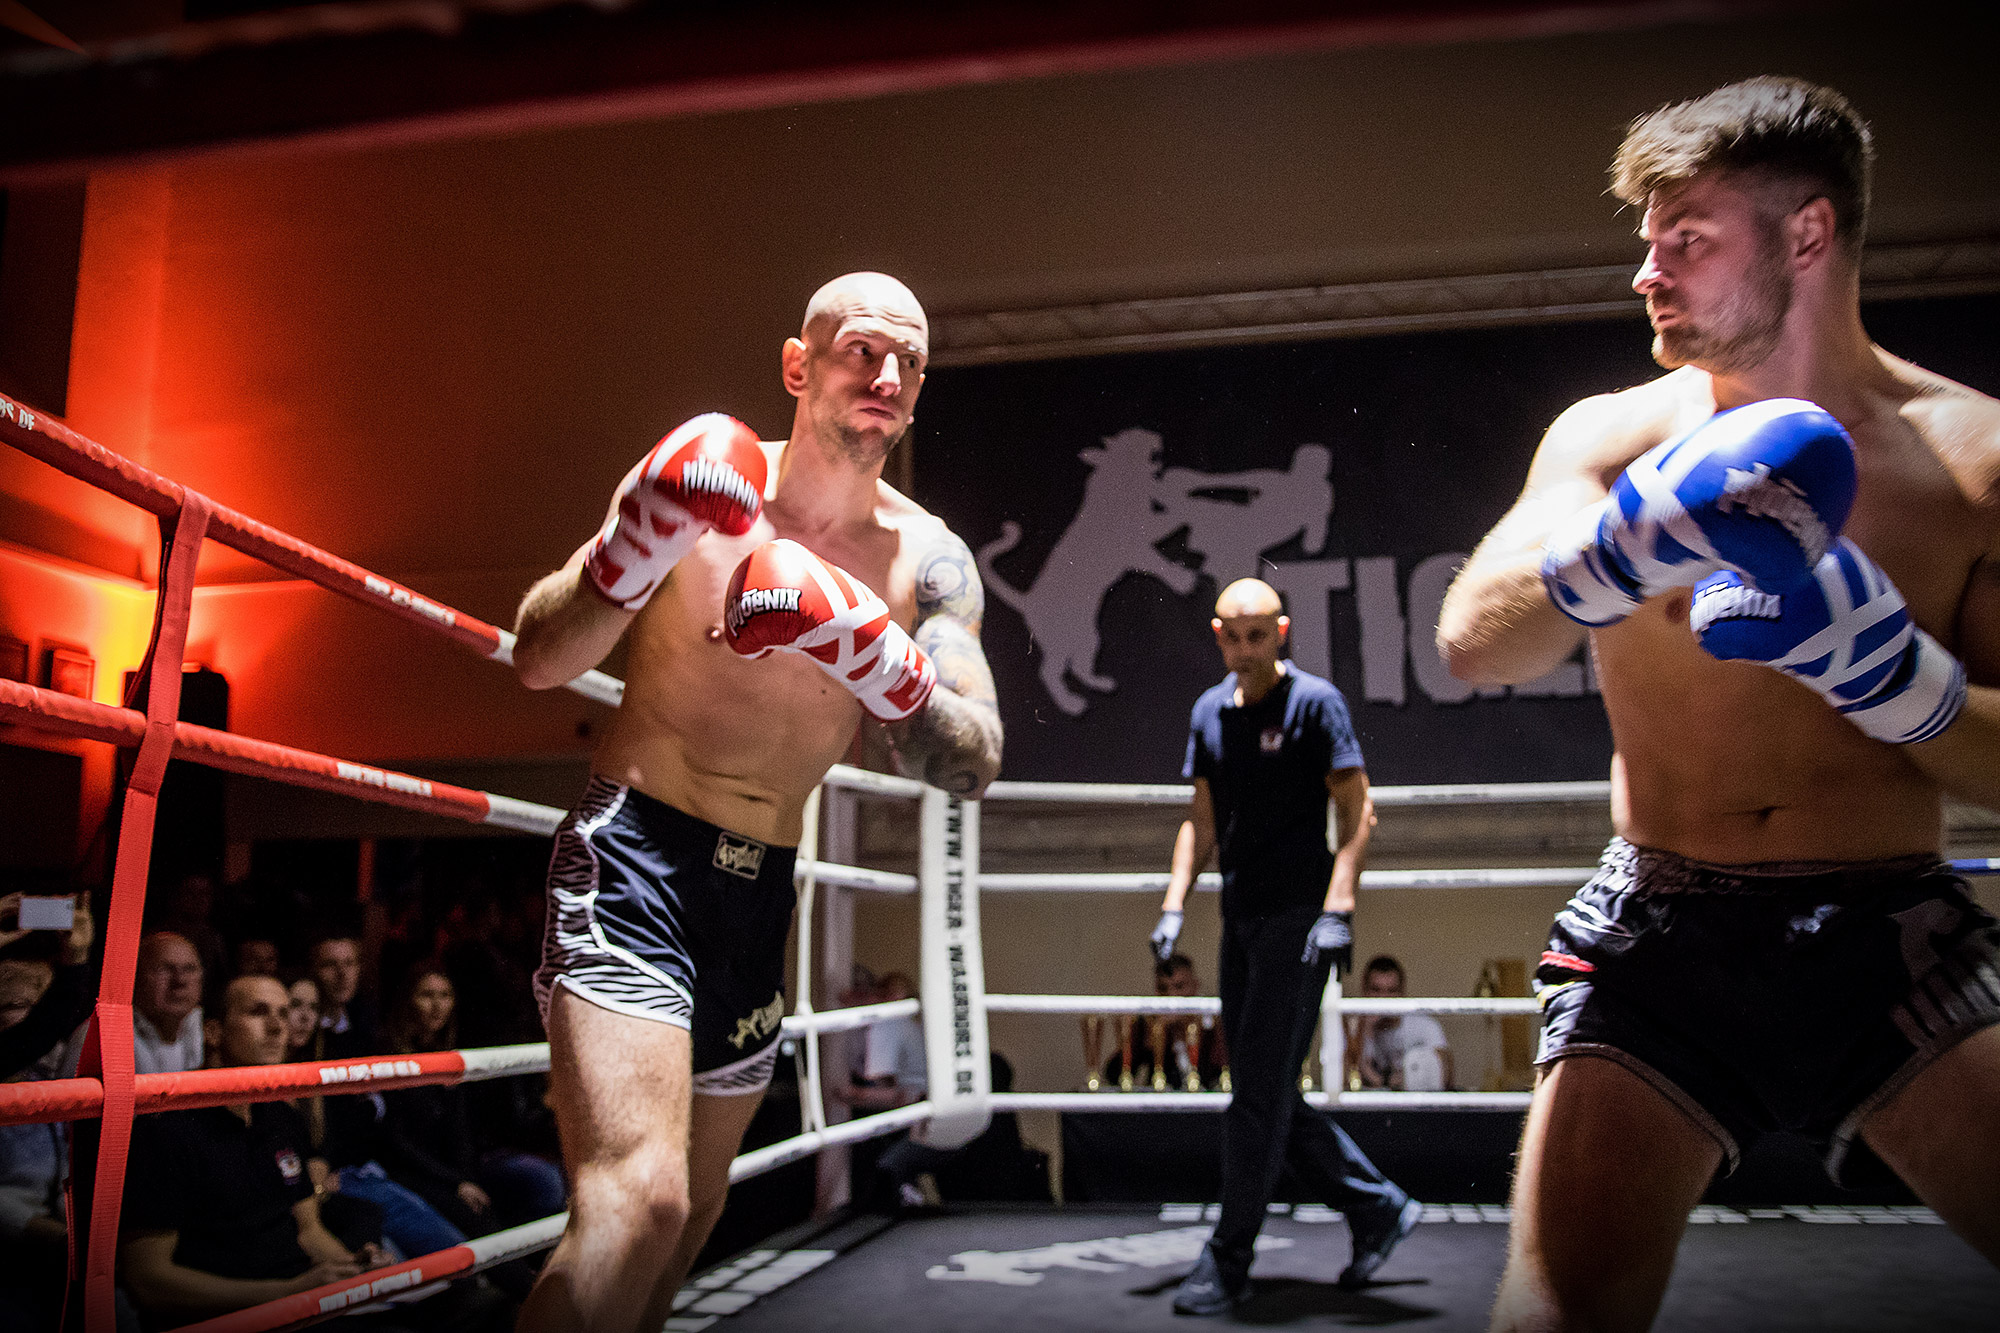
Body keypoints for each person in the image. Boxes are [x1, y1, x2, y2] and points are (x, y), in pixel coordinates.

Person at [1435, 76, 2000, 1332]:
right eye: (1646, 239)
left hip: (1888, 929)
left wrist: (1892, 678)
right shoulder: (1608, 438)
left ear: (1806, 233)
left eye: (1684, 238)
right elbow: (1472, 641)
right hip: (1658, 929)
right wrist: (1619, 549)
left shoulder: (1971, 461)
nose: (1645, 272)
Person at [510, 271, 1003, 1330]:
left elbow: (975, 758)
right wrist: (622, 554)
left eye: (909, 362)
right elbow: (539, 656)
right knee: (637, 1204)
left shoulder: (929, 560)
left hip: (760, 888)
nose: (886, 375)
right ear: (796, 365)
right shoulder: (705, 486)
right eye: (861, 349)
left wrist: (880, 659)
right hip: (636, 854)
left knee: (687, 1219)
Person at [1151, 577, 1421, 1315]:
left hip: (1302, 921)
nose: (1246, 649)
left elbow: (1358, 809)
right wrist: (1174, 903)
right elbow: (1201, 819)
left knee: (1256, 1098)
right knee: (1263, 1089)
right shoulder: (1210, 713)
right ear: (1218, 636)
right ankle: (1377, 1207)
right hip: (1240, 916)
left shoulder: (1315, 704)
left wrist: (1339, 908)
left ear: (1282, 632)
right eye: (1234, 637)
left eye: (1258, 636)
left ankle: (1228, 1257)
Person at [119, 975, 396, 1323]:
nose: (278, 1027)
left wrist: (353, 1269)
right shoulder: (166, 1129)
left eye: (283, 1013)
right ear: (214, 1032)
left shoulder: (281, 1116)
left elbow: (309, 1231)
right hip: (231, 1318)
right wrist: (288, 1295)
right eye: (258, 1012)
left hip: (299, 1303)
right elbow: (147, 1280)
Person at [1351, 956, 1451, 1092]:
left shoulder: (1424, 1026)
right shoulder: (1353, 1028)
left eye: (1391, 991)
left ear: (1402, 992)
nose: (1383, 998)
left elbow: (1445, 1075)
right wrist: (1365, 1032)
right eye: (1376, 990)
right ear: (1364, 991)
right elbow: (1348, 1080)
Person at [132, 931, 204, 1074]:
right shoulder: (105, 1038)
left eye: (189, 969)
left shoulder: (203, 1034)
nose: (180, 980)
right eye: (165, 969)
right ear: (136, 976)